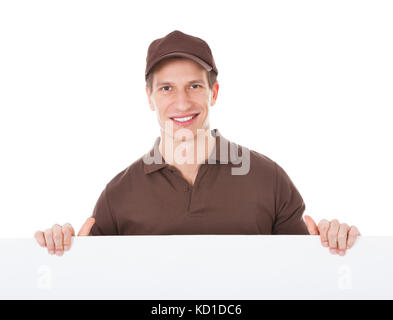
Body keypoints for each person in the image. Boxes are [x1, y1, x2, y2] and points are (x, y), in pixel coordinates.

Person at [34, 30, 360, 257]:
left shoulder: (269, 179)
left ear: (213, 93)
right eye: (166, 89)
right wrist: (61, 252)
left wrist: (333, 246)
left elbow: (302, 279)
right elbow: (93, 285)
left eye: (193, 86)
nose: (181, 102)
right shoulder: (118, 195)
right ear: (149, 98)